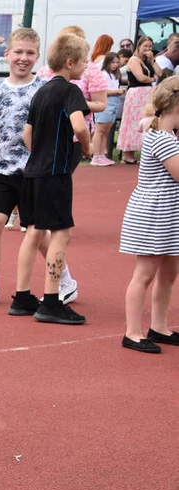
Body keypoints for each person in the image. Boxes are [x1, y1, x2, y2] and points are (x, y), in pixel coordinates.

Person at [0, 29, 79, 308]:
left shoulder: (46, 89)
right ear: (6, 54)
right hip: (3, 170)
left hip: (37, 172)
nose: (23, 58)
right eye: (18, 52)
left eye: (30, 53)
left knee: (39, 233)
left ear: (38, 57)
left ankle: (66, 281)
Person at [11, 32, 92, 325]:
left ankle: (22, 297)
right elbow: (79, 126)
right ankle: (51, 300)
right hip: (54, 174)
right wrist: (87, 145)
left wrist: (40, 154)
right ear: (70, 62)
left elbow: (27, 134)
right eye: (84, 61)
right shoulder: (70, 91)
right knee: (60, 233)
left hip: (32, 172)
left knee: (33, 232)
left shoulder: (40, 92)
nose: (86, 65)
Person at [119, 77, 179, 353]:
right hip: (155, 213)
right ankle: (132, 332)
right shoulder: (164, 140)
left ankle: (160, 327)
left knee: (168, 273)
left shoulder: (168, 137)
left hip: (168, 212)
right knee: (144, 274)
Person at [119, 36, 162, 164]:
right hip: (136, 94)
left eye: (150, 46)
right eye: (145, 46)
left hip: (147, 94)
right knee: (133, 122)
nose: (148, 49)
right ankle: (127, 153)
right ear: (139, 46)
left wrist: (153, 60)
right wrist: (153, 79)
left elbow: (159, 73)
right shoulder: (134, 60)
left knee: (147, 121)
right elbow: (141, 77)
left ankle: (142, 150)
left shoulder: (148, 61)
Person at [91, 53, 125, 166]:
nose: (115, 65)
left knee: (106, 131)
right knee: (100, 129)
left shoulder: (115, 75)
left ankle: (102, 155)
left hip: (114, 103)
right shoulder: (103, 74)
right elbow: (102, 91)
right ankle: (96, 156)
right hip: (106, 102)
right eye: (113, 62)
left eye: (117, 62)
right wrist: (116, 91)